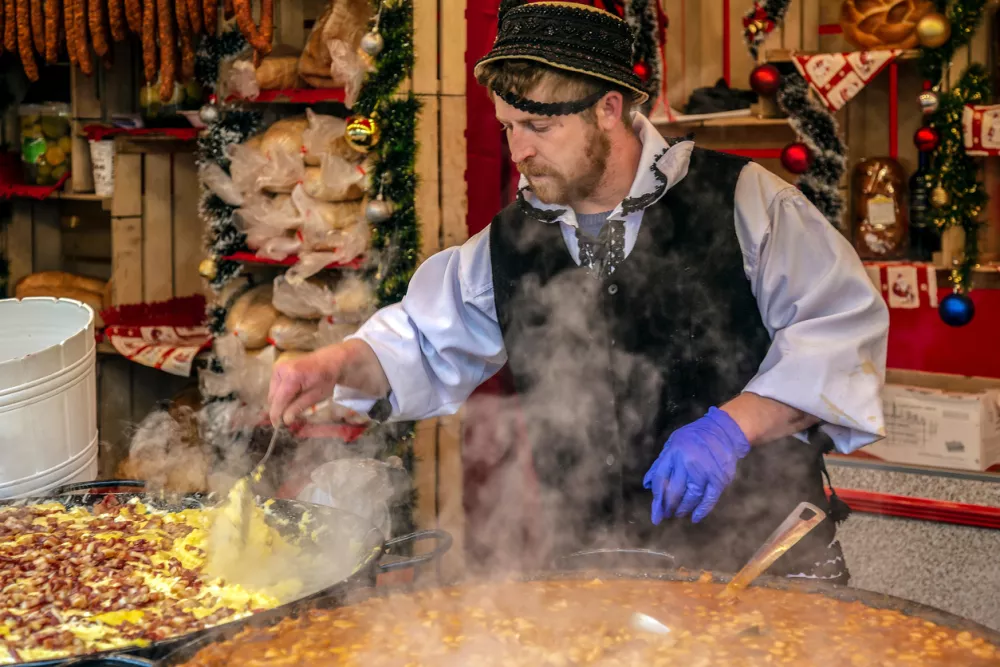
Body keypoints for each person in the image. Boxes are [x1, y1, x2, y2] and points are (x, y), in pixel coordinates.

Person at [269, 0, 889, 583]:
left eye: (539, 124)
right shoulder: (511, 241)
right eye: (508, 126)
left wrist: (733, 427)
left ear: (609, 109)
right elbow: (423, 340)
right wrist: (332, 364)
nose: (520, 151)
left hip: (766, 566)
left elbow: (840, 333)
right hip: (601, 574)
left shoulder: (746, 202)